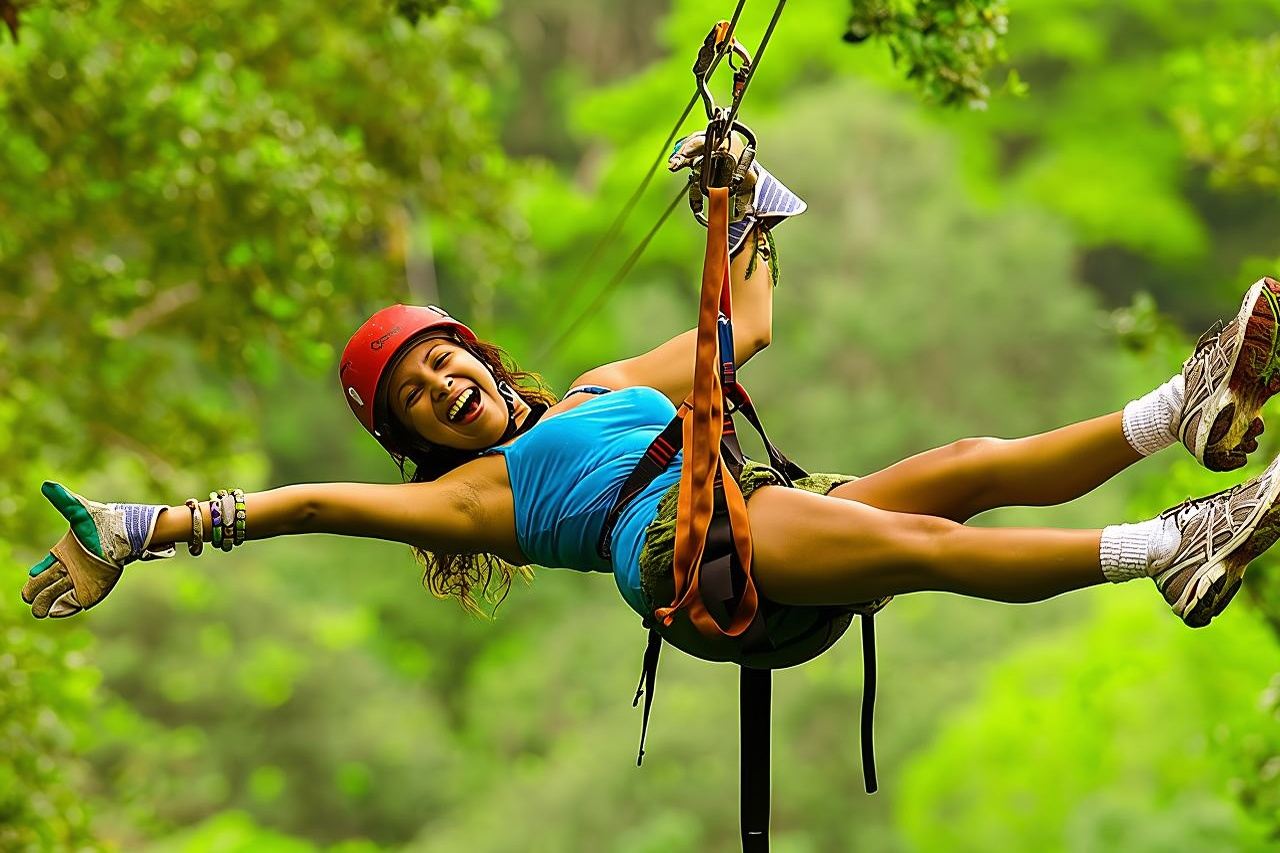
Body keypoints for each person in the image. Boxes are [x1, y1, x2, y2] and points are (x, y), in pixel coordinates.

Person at [19, 139, 1280, 639]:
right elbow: (300, 508)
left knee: (958, 460)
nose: (442, 384)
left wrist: (738, 191)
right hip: (686, 552)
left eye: (443, 357)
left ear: (482, 356)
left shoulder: (601, 386)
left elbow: (747, 324)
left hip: (747, 513)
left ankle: (1184, 409)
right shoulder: (470, 498)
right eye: (415, 392)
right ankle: (1168, 547)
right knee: (920, 541)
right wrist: (144, 530)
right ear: (412, 436)